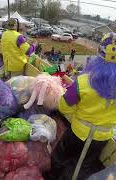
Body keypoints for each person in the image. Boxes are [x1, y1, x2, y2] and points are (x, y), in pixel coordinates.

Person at [44, 33, 116, 180]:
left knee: (62, 159)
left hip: (78, 133)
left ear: (98, 52)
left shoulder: (83, 82)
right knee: (82, 167)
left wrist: (78, 110)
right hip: (100, 139)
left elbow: (64, 106)